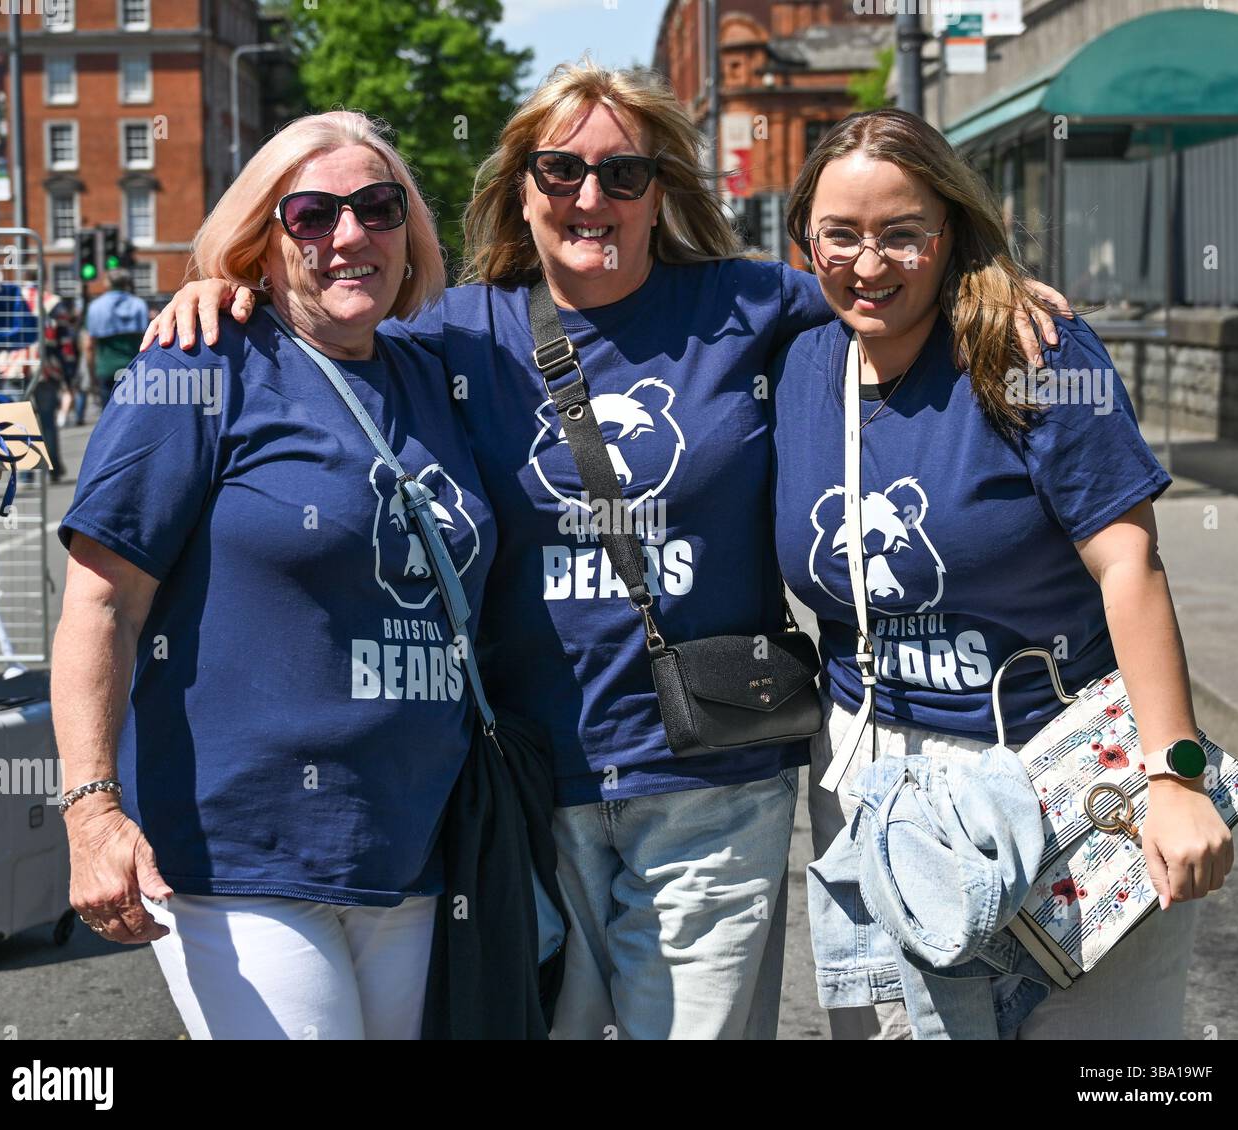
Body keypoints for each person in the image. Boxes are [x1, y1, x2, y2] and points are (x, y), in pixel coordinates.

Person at [144, 60, 1070, 1041]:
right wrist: (213, 291)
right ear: (519, 190)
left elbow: (885, 284)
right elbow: (324, 318)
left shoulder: (750, 304)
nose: (592, 197)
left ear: (659, 191)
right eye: (560, 172)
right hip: (533, 786)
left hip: (713, 776)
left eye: (623, 175)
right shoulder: (455, 331)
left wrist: (987, 285)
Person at [770, 108, 1233, 1039]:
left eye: (904, 235)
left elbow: (1130, 564)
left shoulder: (1033, 355)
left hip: (1056, 774)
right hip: (871, 786)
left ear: (952, 235)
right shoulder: (793, 363)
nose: (870, 265)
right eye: (842, 236)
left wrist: (1176, 773)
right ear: (802, 242)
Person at [52, 110, 498, 1040]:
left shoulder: (436, 372)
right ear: (264, 235)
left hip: (410, 846)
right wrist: (91, 817)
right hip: (238, 852)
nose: (350, 236)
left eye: (378, 209)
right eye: (311, 215)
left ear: (408, 233)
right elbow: (101, 603)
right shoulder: (199, 365)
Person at [83, 270, 149, 413]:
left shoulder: (95, 307)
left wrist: (91, 374)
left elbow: (89, 346)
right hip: (134, 368)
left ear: (107, 284)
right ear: (126, 283)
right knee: (133, 415)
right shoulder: (139, 305)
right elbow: (147, 339)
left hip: (106, 369)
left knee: (108, 415)